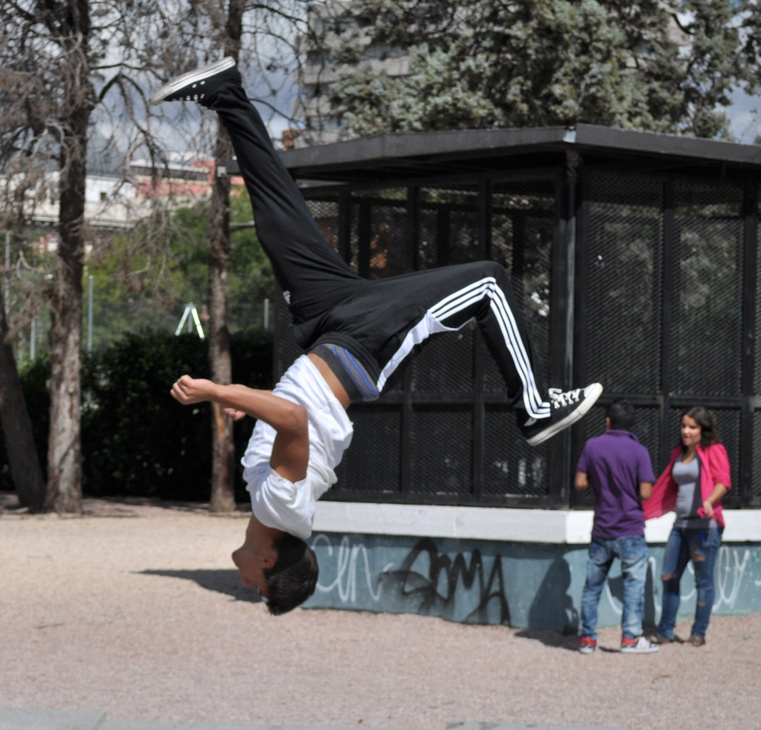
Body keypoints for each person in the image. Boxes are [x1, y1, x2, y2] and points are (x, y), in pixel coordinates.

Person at [151, 58, 603, 614]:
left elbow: (290, 419)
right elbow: (293, 420)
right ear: (268, 563)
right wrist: (219, 393)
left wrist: (253, 407)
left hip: (329, 329)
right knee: (487, 283)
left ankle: (228, 95)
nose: (245, 582)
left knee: (277, 217)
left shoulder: (270, 507)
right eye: (258, 586)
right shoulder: (280, 508)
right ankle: (533, 408)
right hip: (359, 345)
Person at [575, 400, 658, 654]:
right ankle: (630, 639)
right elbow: (645, 491)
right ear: (631, 424)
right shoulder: (639, 451)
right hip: (630, 528)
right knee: (633, 586)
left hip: (601, 528)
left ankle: (587, 640)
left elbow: (580, 482)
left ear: (608, 421)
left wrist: (601, 480)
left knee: (592, 587)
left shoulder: (592, 446)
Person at [644, 407, 731, 647]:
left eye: (692, 427)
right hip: (679, 525)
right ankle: (665, 631)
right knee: (668, 576)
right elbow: (667, 485)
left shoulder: (714, 450)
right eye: (683, 426)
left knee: (703, 583)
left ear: (703, 430)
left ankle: (698, 633)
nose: (686, 431)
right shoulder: (678, 453)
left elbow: (723, 481)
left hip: (704, 526)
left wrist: (709, 501)